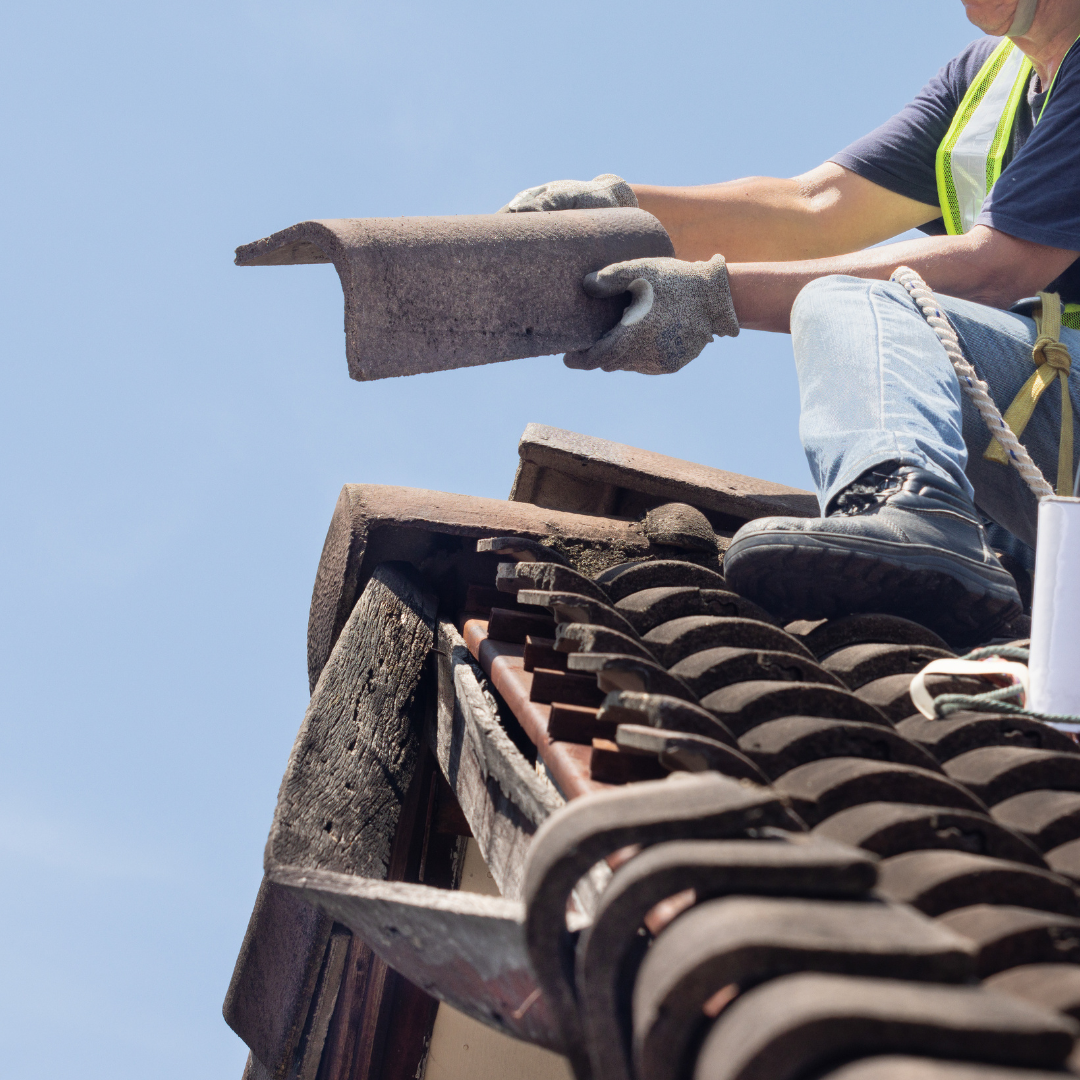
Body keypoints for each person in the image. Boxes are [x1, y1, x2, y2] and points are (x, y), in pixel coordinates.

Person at [499, 0, 1080, 645]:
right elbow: (814, 208)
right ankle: (960, 559)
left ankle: (910, 509)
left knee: (861, 302)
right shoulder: (987, 83)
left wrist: (711, 294)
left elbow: (999, 266)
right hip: (1045, 441)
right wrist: (621, 214)